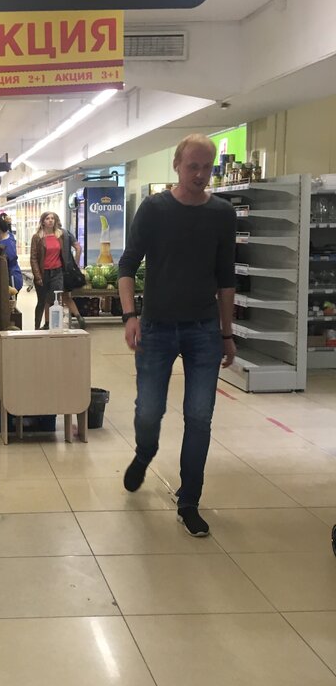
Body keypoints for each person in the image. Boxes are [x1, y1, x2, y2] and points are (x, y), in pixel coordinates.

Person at [118, 133, 237, 538]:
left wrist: (226, 334)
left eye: (207, 167)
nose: (200, 175)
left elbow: (226, 279)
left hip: (203, 329)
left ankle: (189, 501)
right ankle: (145, 452)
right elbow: (127, 265)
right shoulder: (154, 209)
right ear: (177, 165)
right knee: (149, 411)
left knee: (200, 416)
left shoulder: (222, 214)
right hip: (156, 327)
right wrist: (130, 316)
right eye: (193, 167)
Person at [29, 211, 84, 329]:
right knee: (42, 301)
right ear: (43, 221)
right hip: (43, 273)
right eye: (47, 218)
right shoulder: (37, 237)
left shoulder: (60, 236)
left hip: (57, 272)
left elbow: (67, 252)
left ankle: (53, 325)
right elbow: (33, 258)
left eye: (52, 218)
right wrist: (37, 276)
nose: (50, 220)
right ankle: (37, 327)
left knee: (55, 299)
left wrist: (72, 266)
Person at [0, 214, 23, 295]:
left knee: (9, 299)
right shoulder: (10, 236)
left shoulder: (4, 244)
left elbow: (9, 259)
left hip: (10, 276)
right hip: (16, 273)